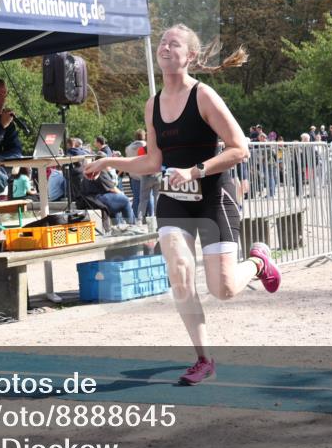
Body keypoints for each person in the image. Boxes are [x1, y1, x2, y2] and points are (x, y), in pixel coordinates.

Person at [84, 24, 282, 385]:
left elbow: (240, 148)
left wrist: (195, 170)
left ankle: (258, 262)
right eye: (162, 42)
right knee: (179, 272)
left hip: (213, 198)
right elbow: (152, 162)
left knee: (222, 290)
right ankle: (203, 359)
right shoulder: (153, 103)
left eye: (173, 44)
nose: (164, 47)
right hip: (173, 200)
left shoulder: (203, 95)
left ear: (190, 56)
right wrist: (109, 162)